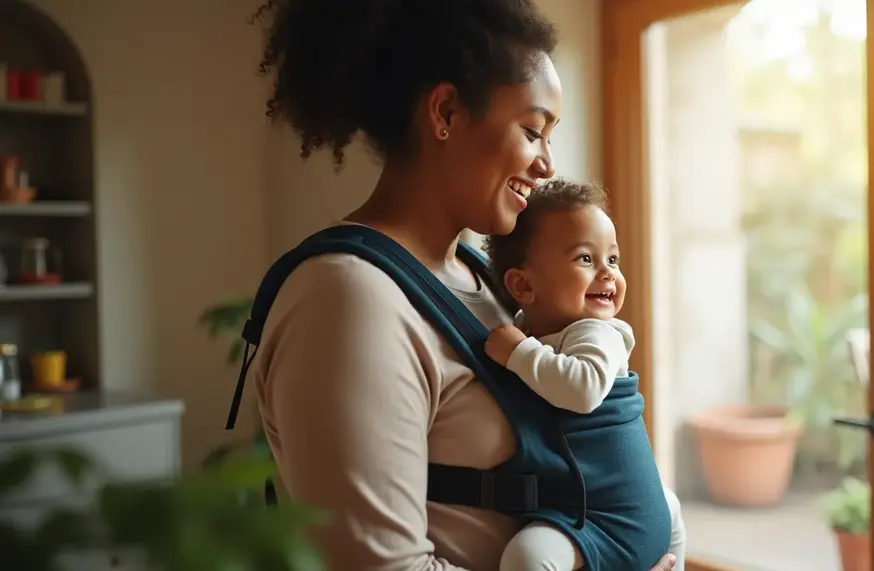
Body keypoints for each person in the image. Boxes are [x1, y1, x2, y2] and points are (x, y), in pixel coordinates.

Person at [248, 0, 685, 569]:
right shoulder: (350, 300)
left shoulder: (480, 277)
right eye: (533, 131)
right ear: (446, 111)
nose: (547, 164)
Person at [481, 178, 673, 571]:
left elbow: (583, 390)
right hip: (588, 507)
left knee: (526, 557)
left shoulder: (597, 332)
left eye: (613, 260)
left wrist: (519, 351)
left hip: (615, 516)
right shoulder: (533, 328)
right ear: (523, 284)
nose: (607, 273)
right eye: (586, 259)